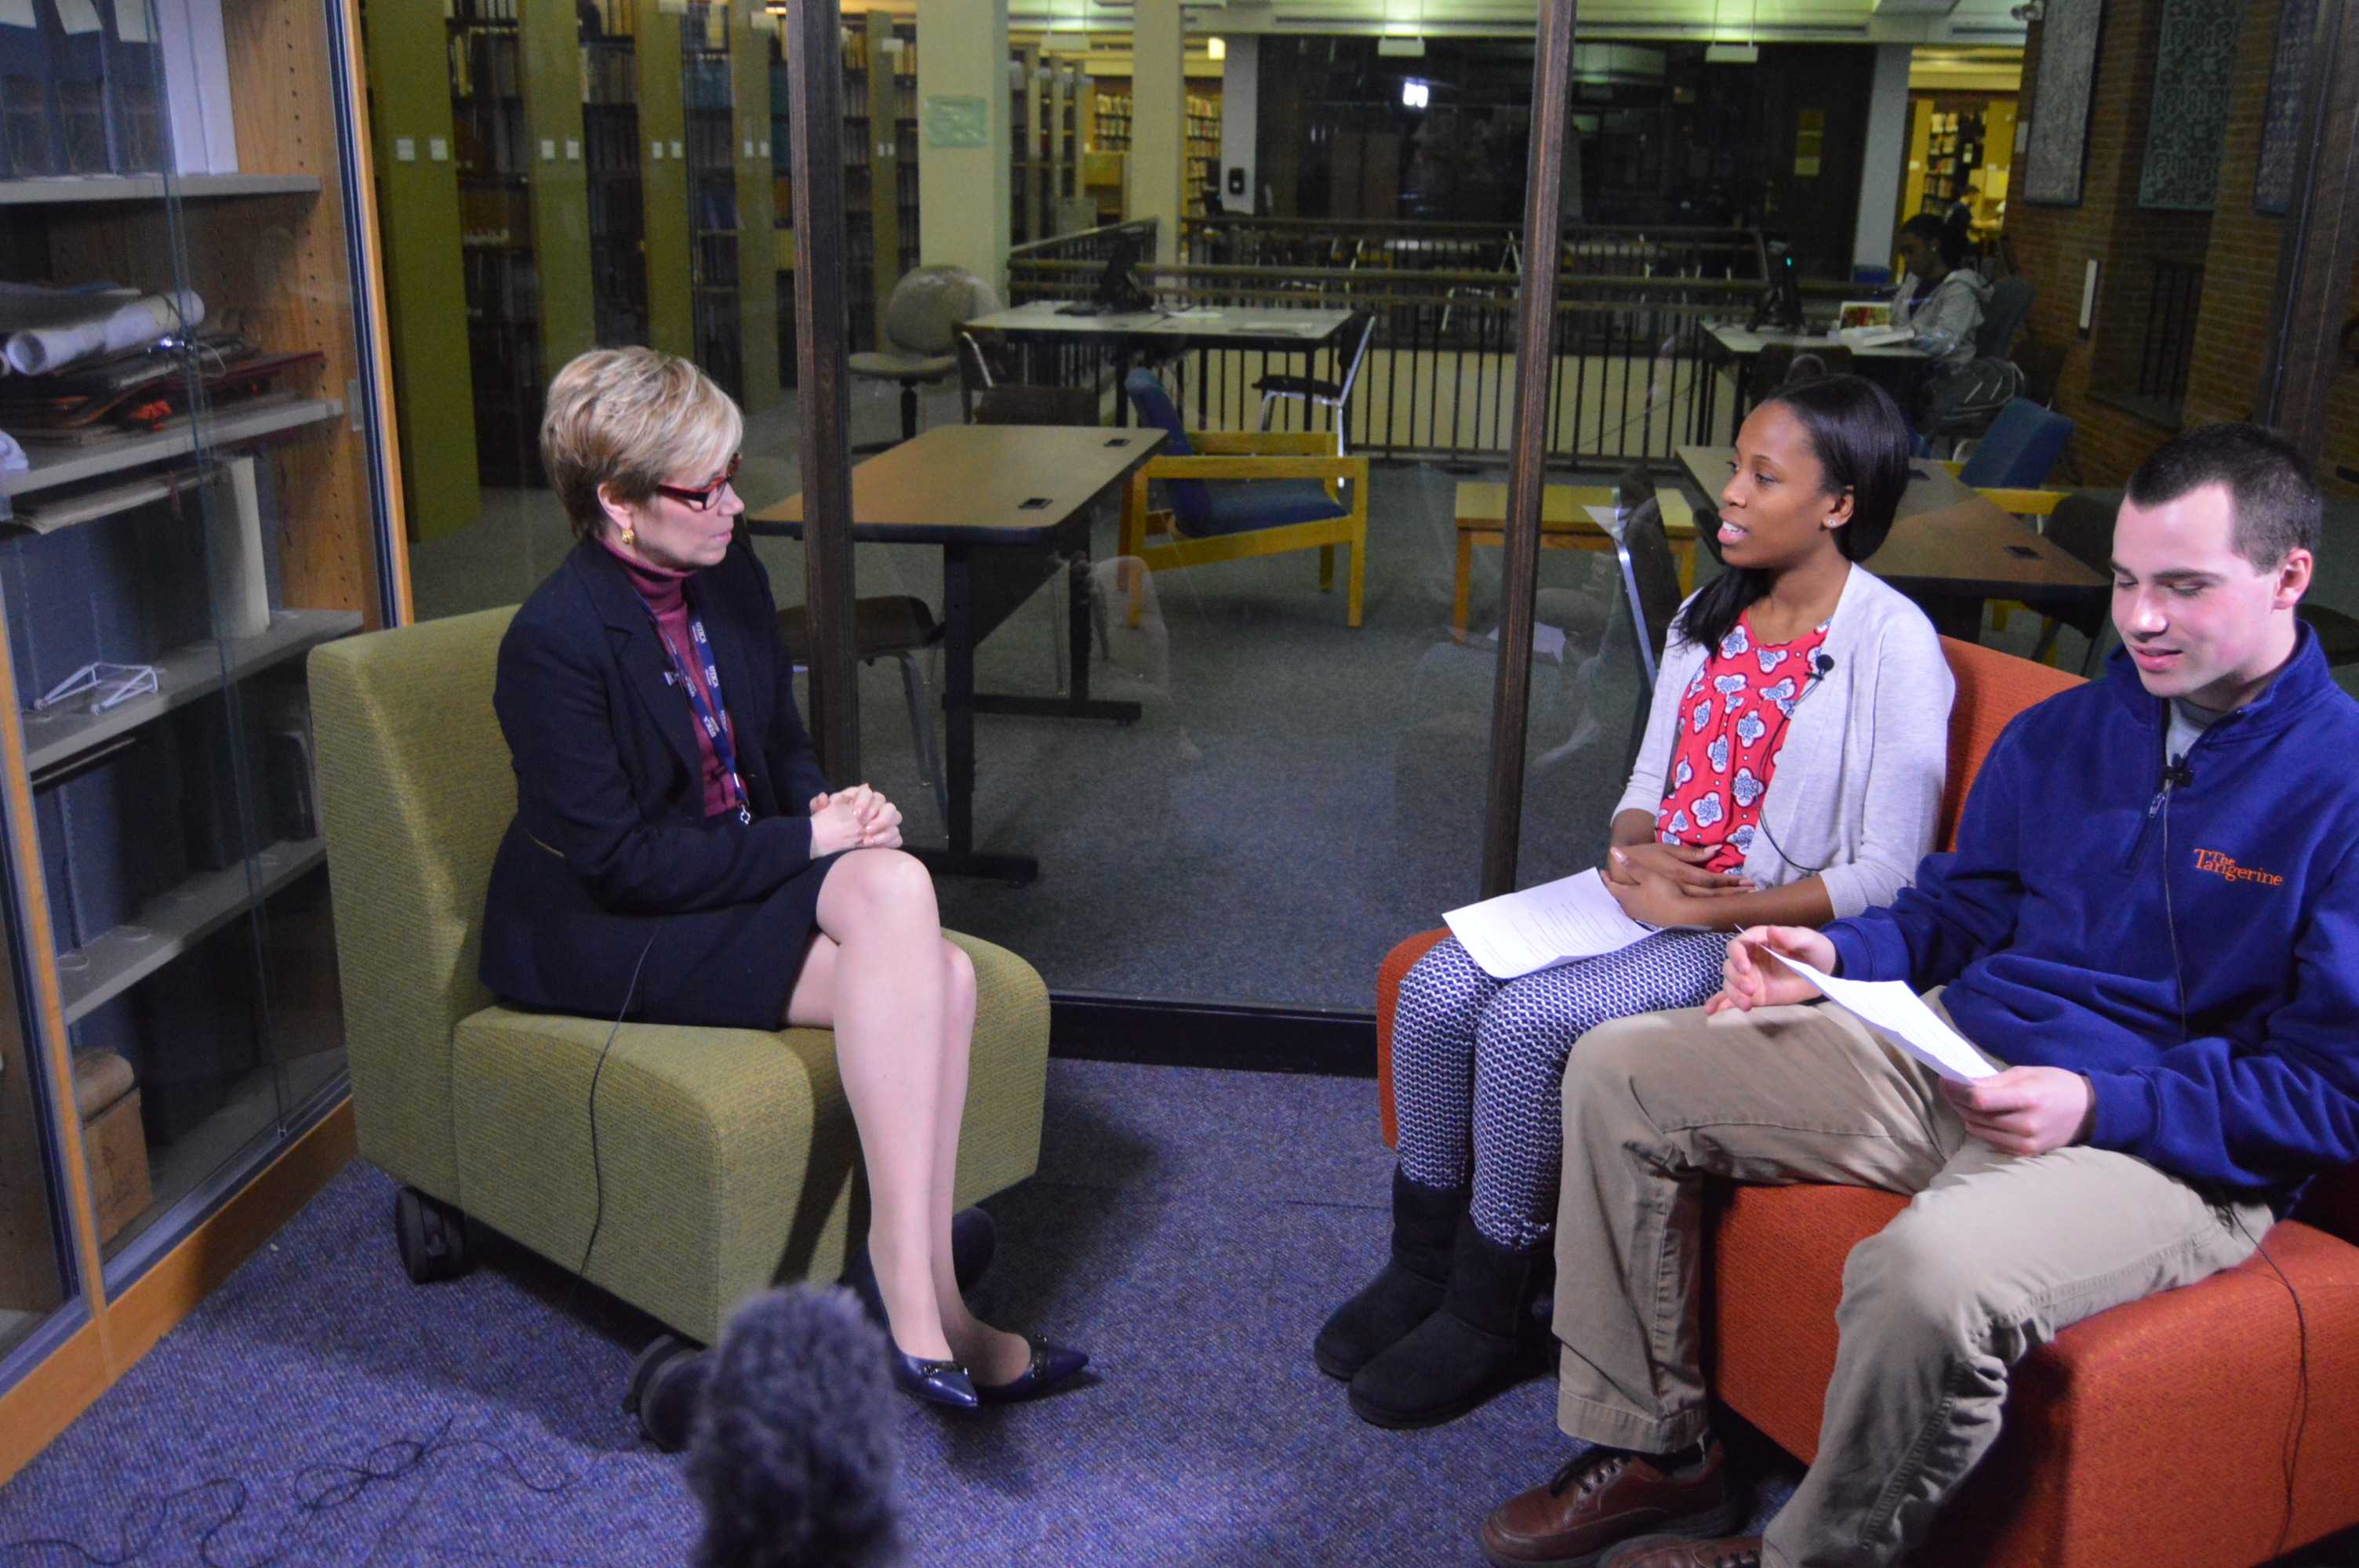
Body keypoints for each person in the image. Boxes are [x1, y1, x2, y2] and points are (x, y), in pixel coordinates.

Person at [1477, 420, 2359, 1568]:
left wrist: (2096, 1106)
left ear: (2289, 576)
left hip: (2161, 1139)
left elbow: (2330, 1095)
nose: (2140, 620)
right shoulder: (2068, 732)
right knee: (1620, 1065)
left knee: (1926, 1273)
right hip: (1952, 1050)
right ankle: (1661, 1455)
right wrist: (1836, 960)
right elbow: (1955, 912)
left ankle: (1813, 1559)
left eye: (2185, 588)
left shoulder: (2340, 786)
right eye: (2130, 582)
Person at [1319, 375, 1955, 1430]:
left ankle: (1495, 1305)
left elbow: (1892, 872)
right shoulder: (1709, 614)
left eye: (1763, 477)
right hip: (1649, 891)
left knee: (1527, 1025)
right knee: (1436, 988)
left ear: (1840, 504)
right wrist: (1631, 855)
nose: (1730, 500)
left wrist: (1701, 911)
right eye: (1733, 471)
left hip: (1758, 931)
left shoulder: (1896, 645)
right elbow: (1646, 787)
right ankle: (1422, 1263)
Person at [478, 347, 1086, 1412]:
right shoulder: (555, 643)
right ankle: (926, 1303)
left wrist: (831, 817)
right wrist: (808, 846)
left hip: (727, 878)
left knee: (916, 936)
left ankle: (923, 1297)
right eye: (703, 488)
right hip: (613, 931)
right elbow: (623, 864)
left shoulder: (729, 571)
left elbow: (778, 741)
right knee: (920, 953)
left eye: (730, 476)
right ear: (618, 504)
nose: (734, 503)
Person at [1893, 211, 1990, 427]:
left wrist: (1909, 336)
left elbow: (1946, 340)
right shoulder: (1913, 280)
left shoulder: (1960, 290)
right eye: (1903, 253)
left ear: (1934, 246)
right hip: (1908, 362)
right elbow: (1897, 318)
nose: (1906, 260)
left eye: (1911, 251)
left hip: (1943, 373)